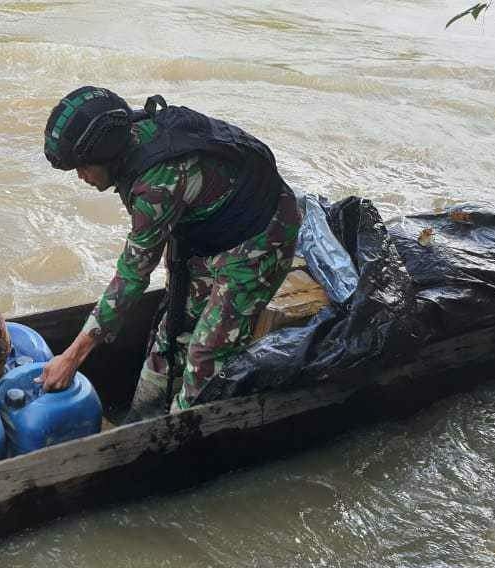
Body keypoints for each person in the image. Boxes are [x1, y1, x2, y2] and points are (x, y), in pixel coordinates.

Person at [36, 87, 301, 417]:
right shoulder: (132, 138)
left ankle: (181, 430)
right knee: (170, 332)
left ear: (107, 154)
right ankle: (142, 417)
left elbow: (132, 277)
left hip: (262, 235)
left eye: (84, 167)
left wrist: (72, 357)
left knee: (206, 354)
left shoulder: (156, 185)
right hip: (209, 226)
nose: (81, 176)